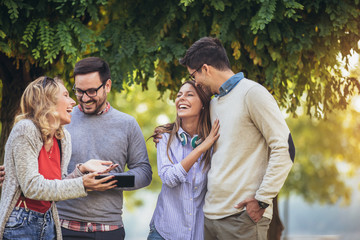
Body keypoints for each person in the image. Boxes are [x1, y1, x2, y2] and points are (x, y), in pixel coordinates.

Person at [178, 37, 295, 240]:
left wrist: (262, 200)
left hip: (242, 219)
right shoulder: (214, 104)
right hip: (210, 217)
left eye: (193, 75)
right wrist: (165, 131)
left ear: (205, 69)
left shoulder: (252, 93)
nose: (194, 82)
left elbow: (285, 147)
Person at [0, 76, 118, 240]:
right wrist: (82, 184)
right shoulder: (25, 129)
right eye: (65, 95)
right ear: (47, 100)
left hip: (48, 221)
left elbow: (58, 186)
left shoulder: (63, 138)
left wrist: (81, 170)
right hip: (21, 222)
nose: (73, 102)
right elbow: (31, 187)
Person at [55, 57, 152, 240]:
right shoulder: (60, 121)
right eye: (79, 91)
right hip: (62, 226)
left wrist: (111, 181)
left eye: (91, 91)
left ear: (107, 86)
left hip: (108, 229)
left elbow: (144, 172)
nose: (84, 98)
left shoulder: (127, 124)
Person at [148, 80, 220, 240]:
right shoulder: (165, 139)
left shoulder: (214, 142)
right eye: (179, 95)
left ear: (202, 103)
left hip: (198, 234)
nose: (181, 99)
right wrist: (201, 148)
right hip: (164, 233)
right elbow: (169, 178)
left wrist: (207, 144)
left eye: (189, 95)